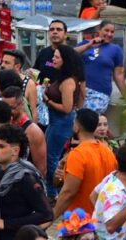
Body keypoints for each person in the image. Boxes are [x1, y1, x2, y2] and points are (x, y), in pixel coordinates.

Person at [0, 124, 51, 240]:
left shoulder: (25, 177)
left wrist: (6, 224)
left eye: (1, 146)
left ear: (15, 150)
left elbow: (46, 214)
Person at [53, 109, 117, 216]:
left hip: (79, 219)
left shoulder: (78, 155)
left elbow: (68, 192)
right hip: (101, 217)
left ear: (77, 127)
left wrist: (53, 215)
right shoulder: (108, 152)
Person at [42, 45, 84, 192]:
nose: (53, 59)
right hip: (55, 122)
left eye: (57, 57)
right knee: (52, 155)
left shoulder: (67, 82)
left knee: (52, 158)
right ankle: (54, 189)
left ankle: (55, 190)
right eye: (53, 56)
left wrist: (48, 100)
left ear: (65, 60)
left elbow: (67, 108)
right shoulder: (62, 77)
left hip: (61, 122)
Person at [75, 21, 126, 114]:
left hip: (100, 92)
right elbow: (69, 54)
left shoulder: (116, 49)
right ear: (99, 30)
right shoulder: (85, 43)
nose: (109, 34)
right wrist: (88, 45)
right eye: (106, 30)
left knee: (89, 117)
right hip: (80, 91)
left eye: (112, 32)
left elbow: (118, 75)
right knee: (78, 119)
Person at [0, 49, 39, 122]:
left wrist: (33, 127)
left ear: (17, 66)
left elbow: (34, 112)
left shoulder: (29, 84)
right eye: (2, 62)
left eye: (6, 63)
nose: (2, 65)